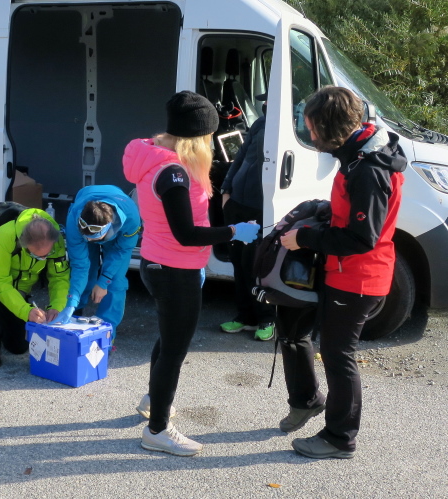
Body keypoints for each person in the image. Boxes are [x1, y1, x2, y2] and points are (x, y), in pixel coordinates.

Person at [123, 90, 259, 456]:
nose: (212, 143)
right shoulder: (172, 174)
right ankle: (157, 430)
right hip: (174, 270)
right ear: (196, 137)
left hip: (161, 263)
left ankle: (153, 401)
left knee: (169, 340)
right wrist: (235, 231)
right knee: (174, 351)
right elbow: (186, 234)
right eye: (209, 136)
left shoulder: (157, 157)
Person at [278, 86, 406, 459]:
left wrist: (304, 238)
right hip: (348, 273)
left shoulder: (367, 168)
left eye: (312, 128)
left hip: (358, 277)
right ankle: (313, 405)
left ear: (329, 126)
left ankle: (339, 438)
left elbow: (362, 237)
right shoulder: (358, 154)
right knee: (328, 349)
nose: (310, 135)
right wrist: (324, 211)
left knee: (338, 356)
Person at [0, 209, 70, 368]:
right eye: (37, 256)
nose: (43, 259)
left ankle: (0, 319)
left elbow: (59, 278)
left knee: (18, 347)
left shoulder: (57, 239)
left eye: (47, 255)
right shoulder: (5, 235)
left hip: (17, 289)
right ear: (24, 243)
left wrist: (56, 306)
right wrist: (25, 311)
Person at [219, 93, 276, 341]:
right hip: (237, 205)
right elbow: (240, 157)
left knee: (255, 265)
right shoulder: (260, 123)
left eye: (269, 100)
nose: (265, 104)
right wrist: (226, 190)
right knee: (238, 263)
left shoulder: (290, 127)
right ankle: (245, 317)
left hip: (260, 208)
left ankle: (266, 319)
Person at [52, 185, 141, 341]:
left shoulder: (131, 219)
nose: (89, 240)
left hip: (118, 238)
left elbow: (121, 251)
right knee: (88, 272)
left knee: (115, 282)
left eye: (94, 237)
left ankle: (107, 334)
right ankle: (74, 315)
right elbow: (80, 265)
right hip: (85, 213)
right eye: (86, 237)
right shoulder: (74, 219)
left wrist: (104, 282)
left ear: (109, 227)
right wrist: (71, 301)